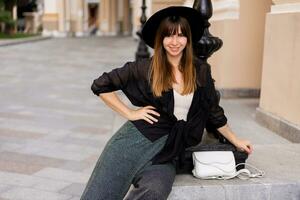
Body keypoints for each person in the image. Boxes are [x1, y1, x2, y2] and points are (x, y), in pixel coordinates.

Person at [81, 6, 253, 200]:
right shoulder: (146, 68)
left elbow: (214, 112)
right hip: (132, 144)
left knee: (155, 191)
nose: (174, 42)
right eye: (168, 36)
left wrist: (236, 140)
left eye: (180, 35)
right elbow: (101, 85)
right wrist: (130, 113)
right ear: (160, 39)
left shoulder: (201, 70)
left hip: (167, 153)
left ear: (188, 39)